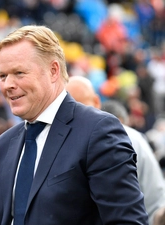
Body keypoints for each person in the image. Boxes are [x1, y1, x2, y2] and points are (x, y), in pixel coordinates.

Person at [0, 25, 148, 224]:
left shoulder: (98, 131)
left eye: (19, 73)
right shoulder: (4, 144)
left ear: (53, 71)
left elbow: (127, 221)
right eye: (3, 76)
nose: (7, 85)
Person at [66, 75, 165, 225]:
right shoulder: (58, 142)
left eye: (81, 105)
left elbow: (155, 199)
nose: (77, 114)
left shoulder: (131, 138)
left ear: (97, 101)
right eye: (70, 108)